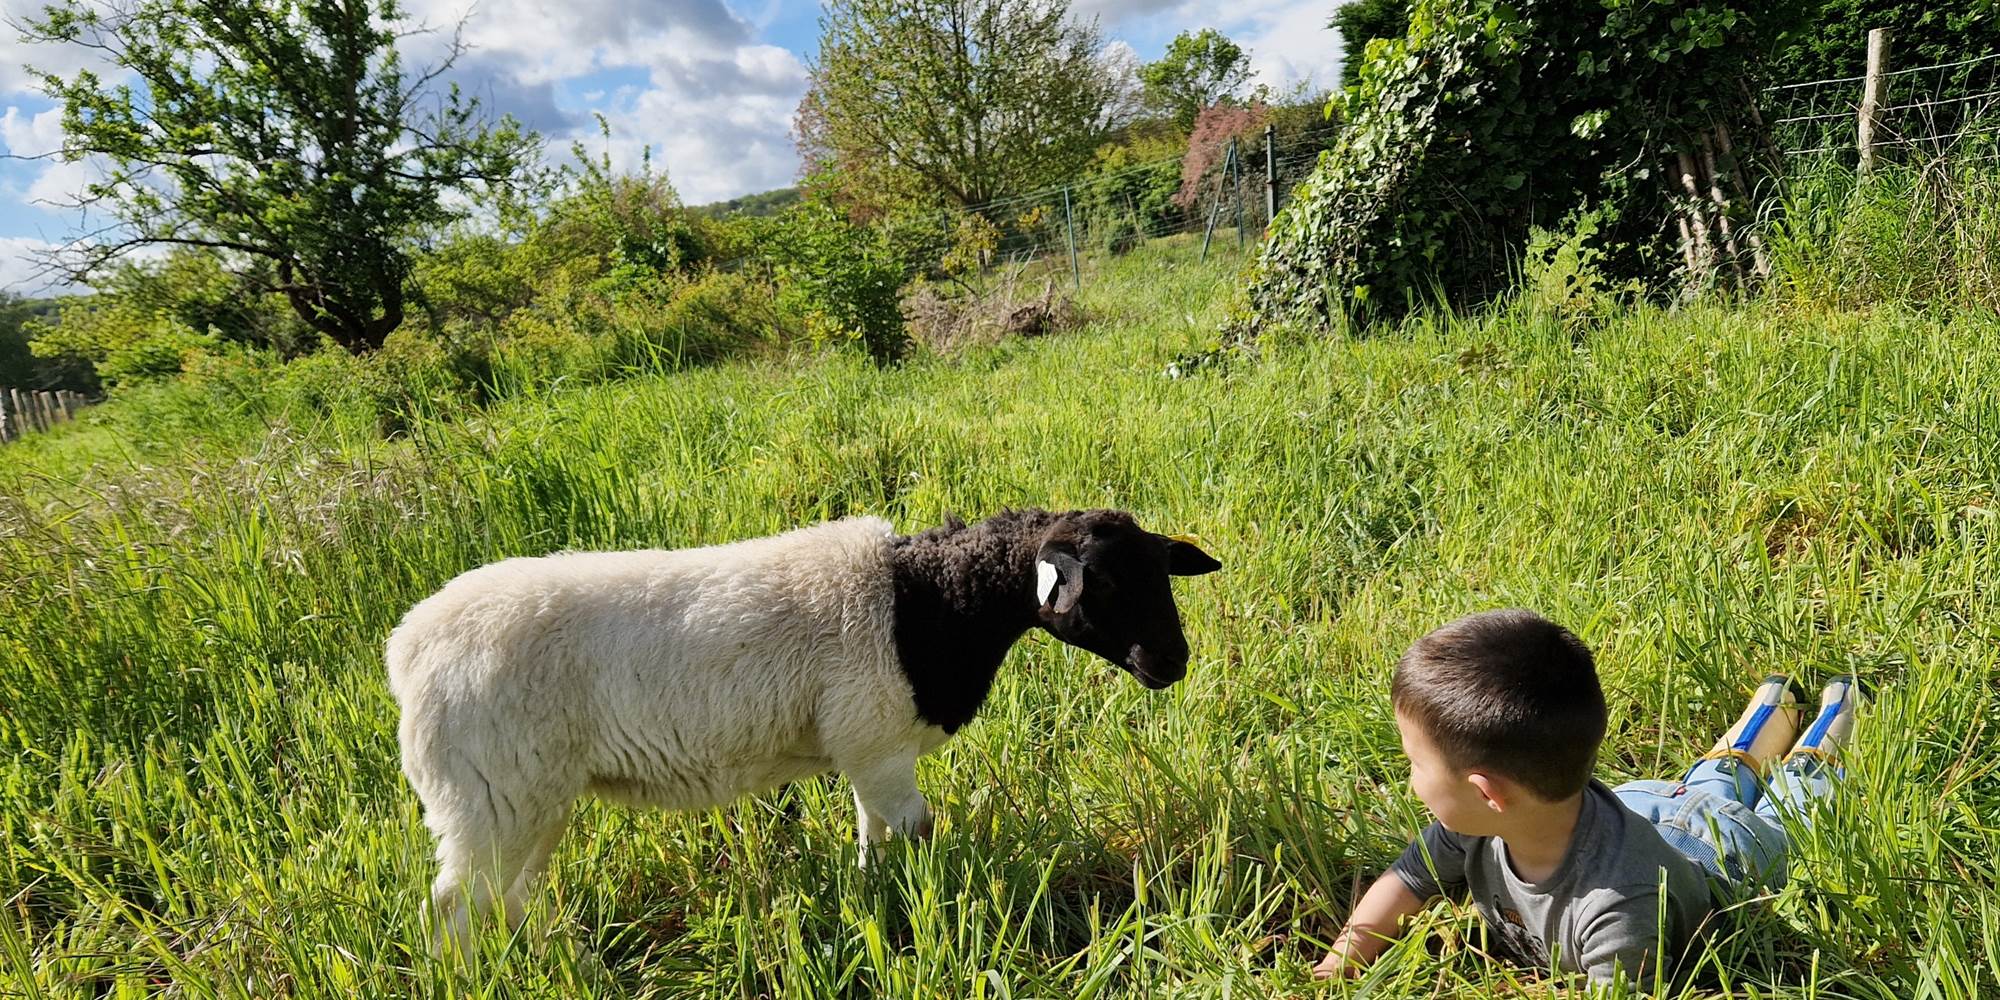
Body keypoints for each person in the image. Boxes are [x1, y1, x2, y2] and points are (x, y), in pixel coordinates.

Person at [1312, 608, 1864, 986]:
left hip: (1724, 853)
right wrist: (1340, 962)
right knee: (1710, 780)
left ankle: (1837, 711)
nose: (1410, 780)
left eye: (1414, 762)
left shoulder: (1620, 912)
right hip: (1639, 804)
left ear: (1486, 792)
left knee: (1793, 804)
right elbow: (1408, 878)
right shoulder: (1471, 825)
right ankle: (1771, 704)